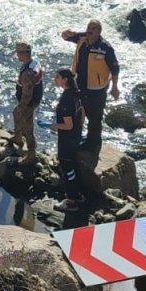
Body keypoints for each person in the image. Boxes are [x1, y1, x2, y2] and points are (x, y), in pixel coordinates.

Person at [61, 20, 119, 160]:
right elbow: (65, 37)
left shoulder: (105, 47)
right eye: (88, 27)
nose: (89, 30)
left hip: (96, 90)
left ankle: (93, 144)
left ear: (99, 31)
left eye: (93, 28)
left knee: (94, 118)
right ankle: (77, 139)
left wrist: (115, 87)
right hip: (79, 85)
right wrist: (65, 33)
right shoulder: (82, 38)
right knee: (78, 113)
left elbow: (115, 69)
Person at [50, 68, 85, 212]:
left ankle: (71, 201)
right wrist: (79, 130)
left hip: (66, 140)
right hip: (76, 136)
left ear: (65, 79)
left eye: (57, 77)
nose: (55, 79)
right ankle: (78, 195)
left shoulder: (66, 99)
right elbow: (82, 114)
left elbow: (67, 125)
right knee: (74, 166)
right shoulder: (77, 93)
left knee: (67, 169)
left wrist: (52, 125)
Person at [9, 41, 43, 164]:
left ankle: (31, 154)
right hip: (33, 99)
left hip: (28, 103)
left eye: (18, 53)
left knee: (28, 126)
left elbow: (27, 94)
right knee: (16, 114)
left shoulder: (28, 73)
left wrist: (21, 107)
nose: (17, 55)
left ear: (23, 54)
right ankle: (18, 138)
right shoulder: (34, 63)